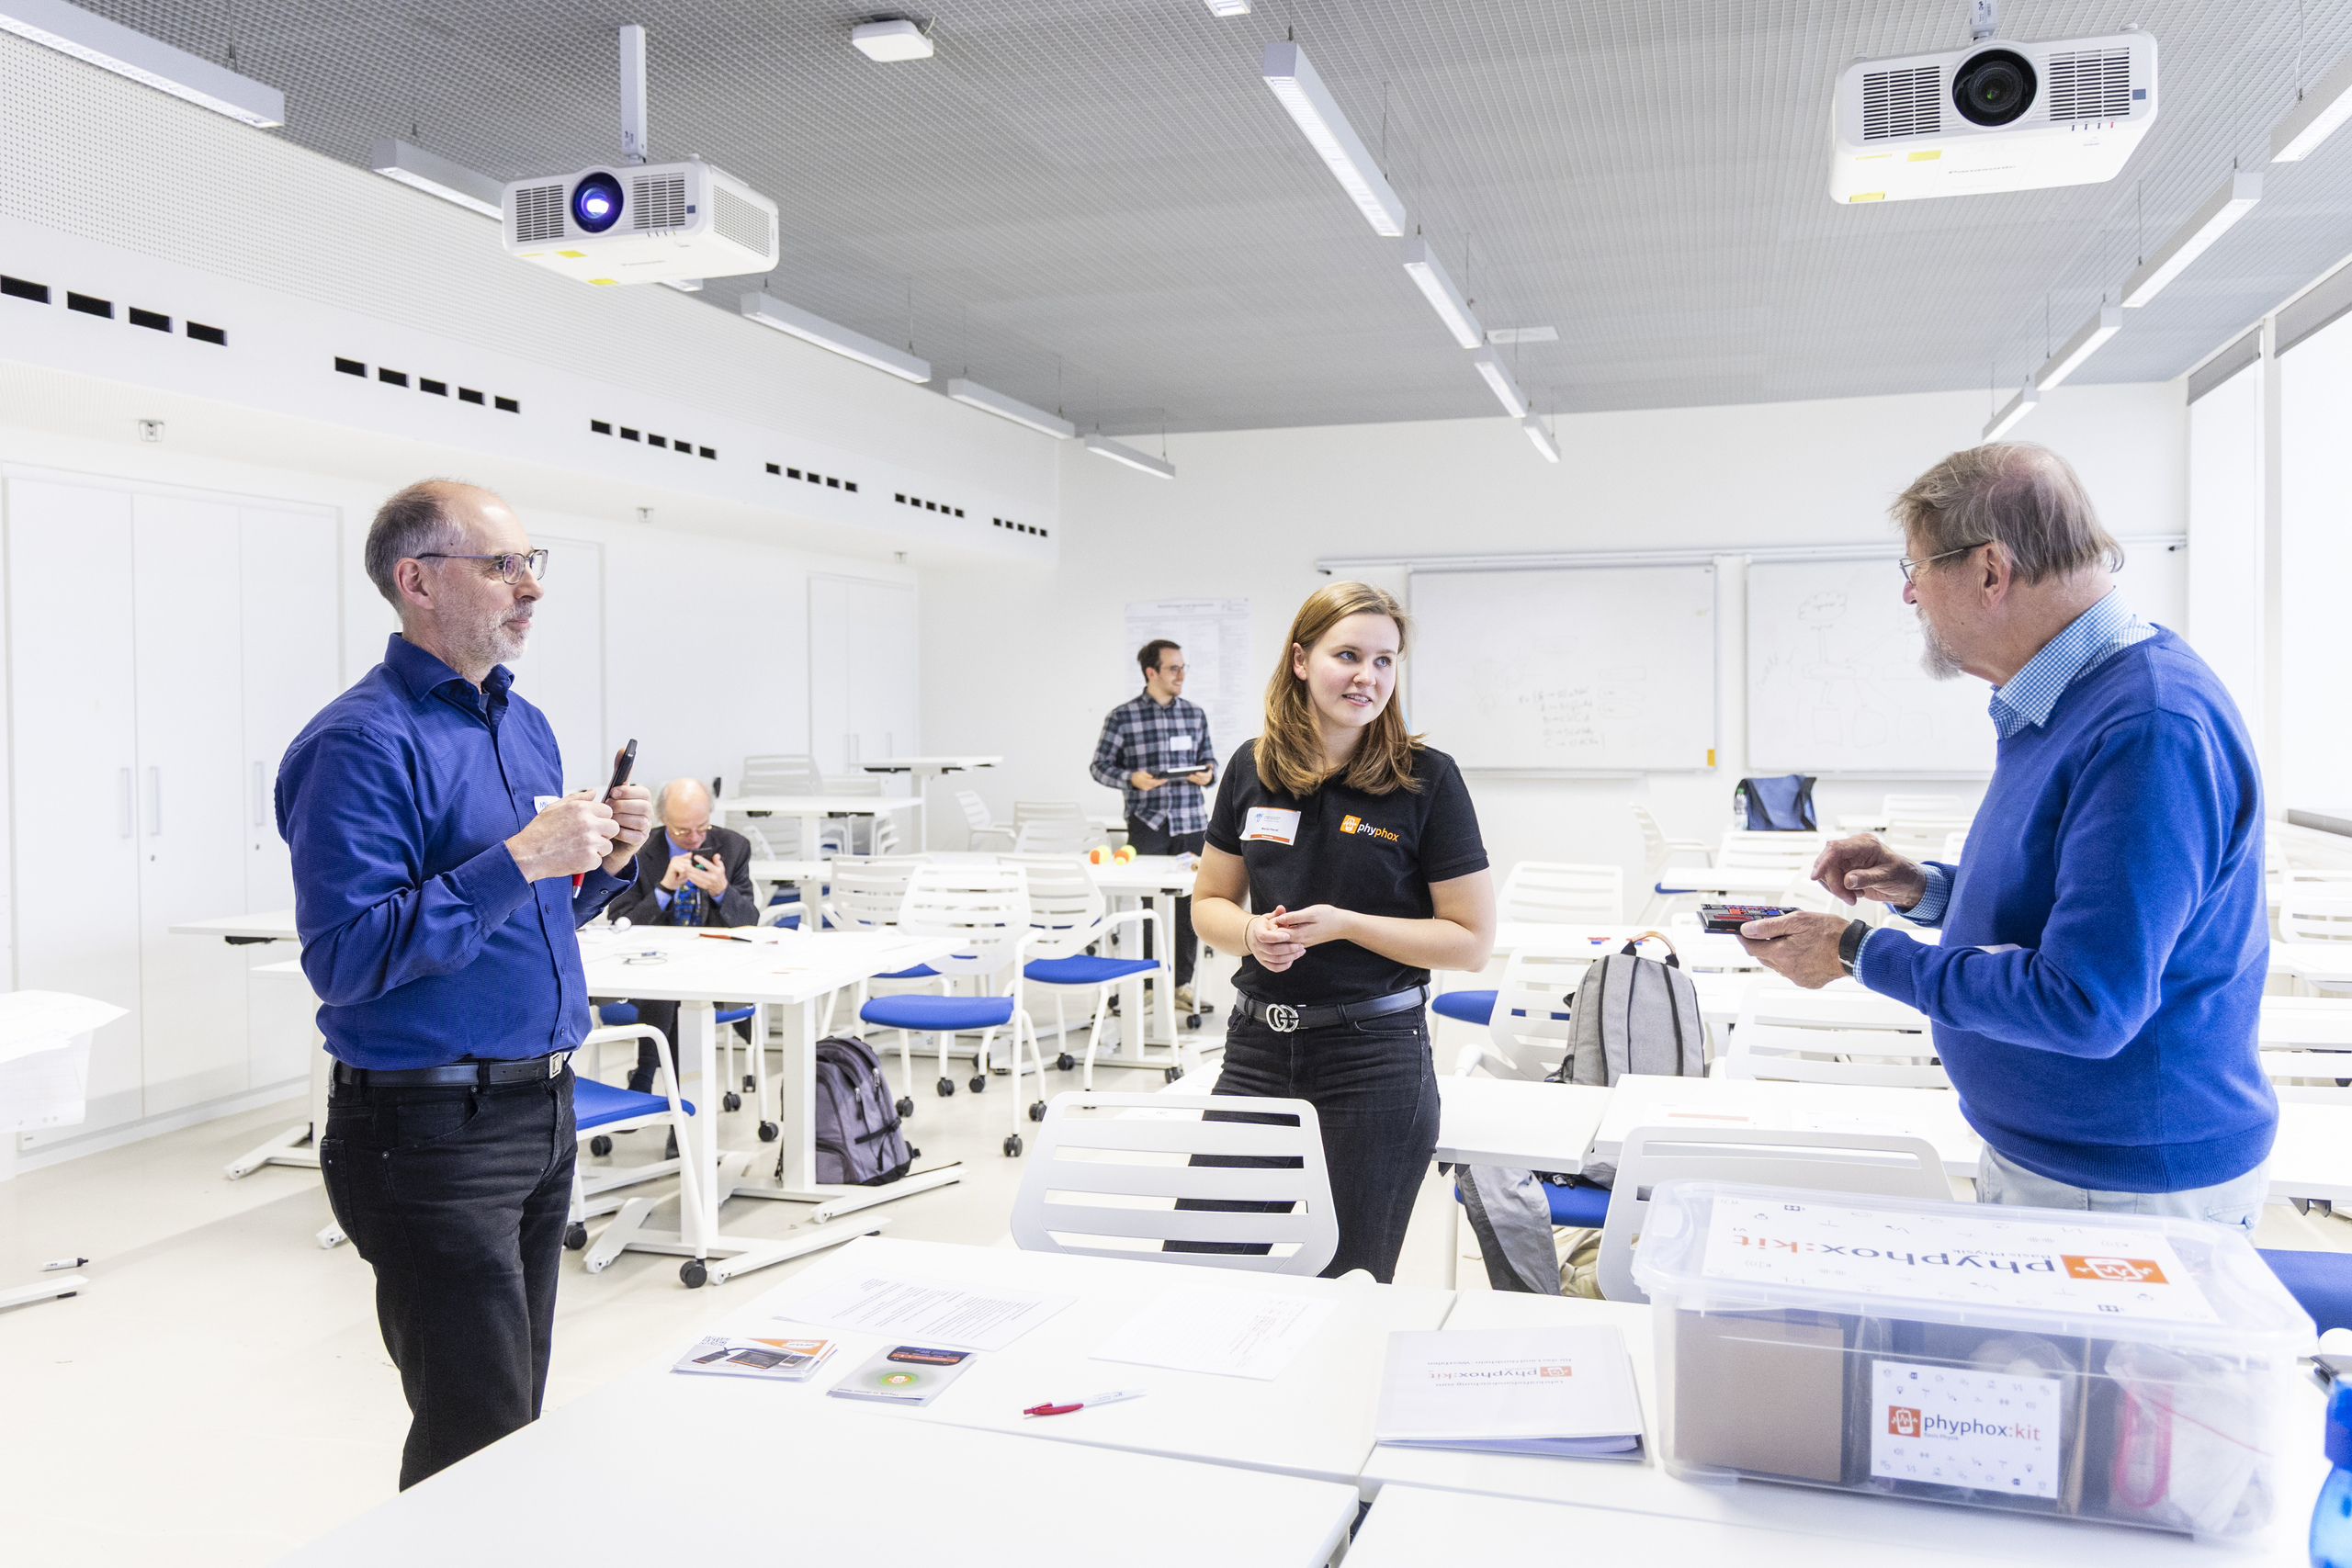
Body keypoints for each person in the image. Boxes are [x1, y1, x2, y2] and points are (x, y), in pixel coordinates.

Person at [1737, 443, 2274, 1228]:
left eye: (1918, 567)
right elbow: (2067, 909)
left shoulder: (2148, 727)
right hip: (2071, 1163)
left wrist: (1857, 951)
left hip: (2124, 1187)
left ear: (1991, 570)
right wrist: (1928, 890)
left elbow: (2085, 1002)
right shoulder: (2077, 701)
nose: (1909, 592)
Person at [278, 479, 652, 1488]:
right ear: (417, 581)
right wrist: (523, 856)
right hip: (430, 1135)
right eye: (501, 566)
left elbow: (523, 916)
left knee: (513, 1415)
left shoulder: (520, 724)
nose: (531, 588)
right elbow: (345, 957)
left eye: (532, 564)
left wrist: (602, 864)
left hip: (539, 1110)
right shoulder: (359, 743)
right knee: (473, 1436)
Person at [1191, 582, 1495, 1280]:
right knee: (1205, 1272)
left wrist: (1348, 925)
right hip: (1257, 1051)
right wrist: (1249, 933)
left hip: (1374, 1058)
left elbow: (1471, 941)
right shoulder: (1251, 766)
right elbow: (1209, 902)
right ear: (1301, 660)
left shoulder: (1426, 780)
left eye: (1385, 660)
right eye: (1348, 655)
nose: (1368, 677)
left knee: (1349, 1283)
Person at [604, 777, 759, 1092]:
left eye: (702, 827)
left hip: (716, 968)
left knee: (672, 988)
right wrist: (664, 890)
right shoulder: (638, 850)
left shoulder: (733, 847)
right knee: (668, 984)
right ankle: (682, 1103)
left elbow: (750, 922)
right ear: (663, 820)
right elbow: (620, 922)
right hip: (650, 968)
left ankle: (646, 1074)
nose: (695, 838)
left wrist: (721, 891)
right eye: (683, 831)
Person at [1090, 638, 1216, 1011]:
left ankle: (1180, 985)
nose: (1181, 675)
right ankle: (1145, 985)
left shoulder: (1194, 714)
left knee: (1190, 908)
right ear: (1151, 672)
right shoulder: (1122, 717)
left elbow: (1210, 761)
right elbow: (1099, 767)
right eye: (1173, 668)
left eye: (1183, 668)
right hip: (1148, 824)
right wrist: (1131, 778)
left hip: (1191, 822)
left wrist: (1207, 774)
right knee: (1145, 907)